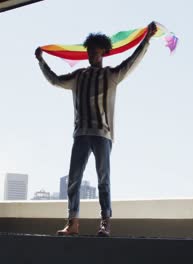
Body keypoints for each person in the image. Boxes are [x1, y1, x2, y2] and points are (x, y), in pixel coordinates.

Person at [35, 21, 157, 237]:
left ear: (104, 52)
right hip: (81, 134)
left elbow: (131, 62)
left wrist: (146, 39)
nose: (93, 54)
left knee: (103, 179)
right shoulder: (79, 76)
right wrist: (41, 61)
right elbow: (54, 80)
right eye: (90, 50)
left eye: (97, 51)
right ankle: (72, 223)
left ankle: (105, 223)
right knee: (74, 178)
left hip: (102, 134)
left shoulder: (111, 75)